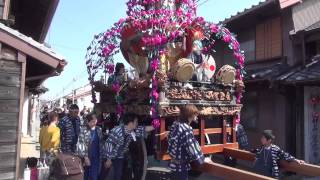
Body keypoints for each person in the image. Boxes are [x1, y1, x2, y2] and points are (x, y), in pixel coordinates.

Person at [100, 113, 154, 180]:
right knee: (104, 174)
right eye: (136, 122)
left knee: (118, 175)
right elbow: (109, 144)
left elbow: (144, 129)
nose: (137, 124)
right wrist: (108, 159)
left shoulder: (132, 131)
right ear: (130, 123)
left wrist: (155, 125)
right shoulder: (117, 131)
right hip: (108, 155)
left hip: (119, 156)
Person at [168, 105, 205, 180]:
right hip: (180, 167)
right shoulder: (186, 129)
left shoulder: (176, 124)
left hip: (173, 165)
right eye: (195, 114)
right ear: (190, 115)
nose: (197, 116)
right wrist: (202, 159)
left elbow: (170, 140)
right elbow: (191, 148)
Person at [76, 113, 103, 180]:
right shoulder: (83, 130)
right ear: (88, 121)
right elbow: (81, 144)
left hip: (96, 156)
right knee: (86, 175)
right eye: (92, 121)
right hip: (87, 156)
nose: (94, 122)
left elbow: (101, 143)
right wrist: (85, 157)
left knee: (95, 175)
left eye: (95, 120)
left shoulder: (99, 129)